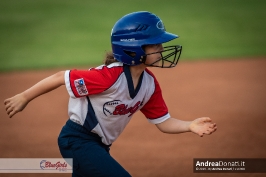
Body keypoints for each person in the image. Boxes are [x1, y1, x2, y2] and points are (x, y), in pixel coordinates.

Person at [4, 11, 217, 177]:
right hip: (77, 140)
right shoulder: (109, 77)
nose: (162, 49)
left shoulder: (149, 84)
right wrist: (24, 97)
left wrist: (189, 125)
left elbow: (163, 122)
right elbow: (61, 77)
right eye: (156, 45)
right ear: (134, 49)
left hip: (99, 147)